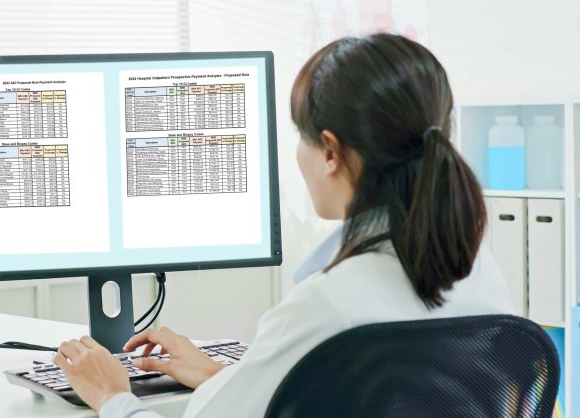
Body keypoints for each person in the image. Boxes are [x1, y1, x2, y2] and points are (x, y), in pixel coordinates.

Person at [53, 33, 514, 417]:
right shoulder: (481, 273)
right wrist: (222, 375)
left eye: (300, 136)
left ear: (330, 152)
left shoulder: (326, 303)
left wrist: (112, 396)